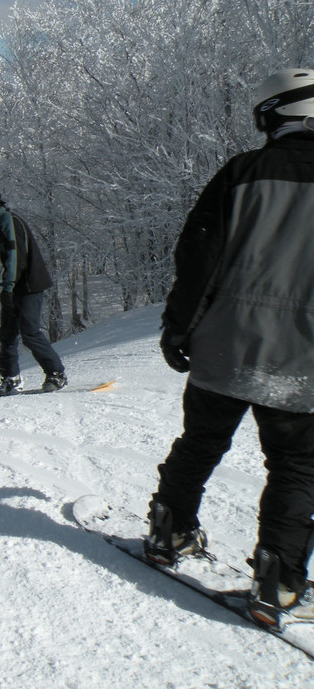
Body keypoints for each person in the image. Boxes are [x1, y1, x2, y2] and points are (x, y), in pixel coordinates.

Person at [148, 68, 314, 629]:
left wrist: (177, 327)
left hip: (225, 347)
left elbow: (197, 257)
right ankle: (280, 582)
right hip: (303, 362)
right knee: (296, 467)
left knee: (200, 441)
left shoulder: (241, 173)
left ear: (275, 115)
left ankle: (168, 528)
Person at [0, 188, 66, 396]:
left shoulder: (8, 221)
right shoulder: (5, 221)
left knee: (29, 332)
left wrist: (8, 288)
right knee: (7, 333)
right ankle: (11, 378)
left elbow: (14, 258)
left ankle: (56, 373)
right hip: (18, 286)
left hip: (28, 286)